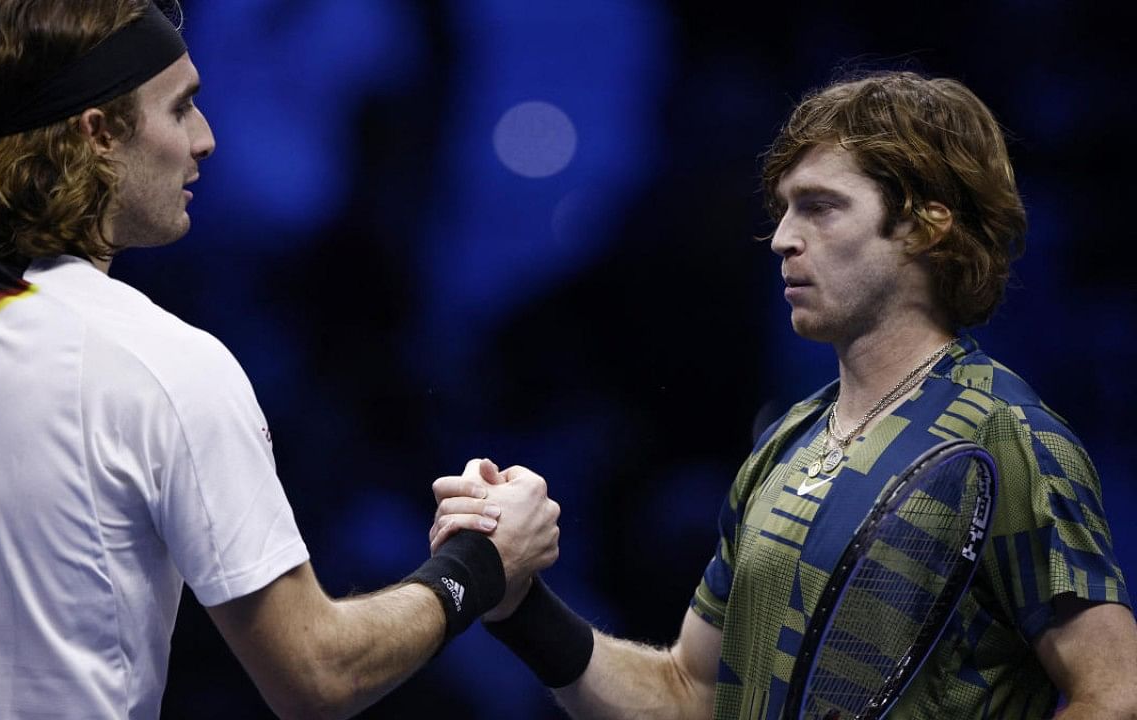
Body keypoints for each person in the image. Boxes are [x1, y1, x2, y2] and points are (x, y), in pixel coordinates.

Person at [0, 2, 560, 718]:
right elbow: (318, 674)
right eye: (182, 109)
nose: (206, 140)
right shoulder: (163, 363)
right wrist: (480, 563)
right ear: (97, 135)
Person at [434, 70, 1137, 718]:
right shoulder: (786, 443)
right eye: (782, 210)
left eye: (820, 208)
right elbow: (688, 693)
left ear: (927, 224)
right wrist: (519, 602)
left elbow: (1113, 693)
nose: (780, 239)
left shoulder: (1010, 434)